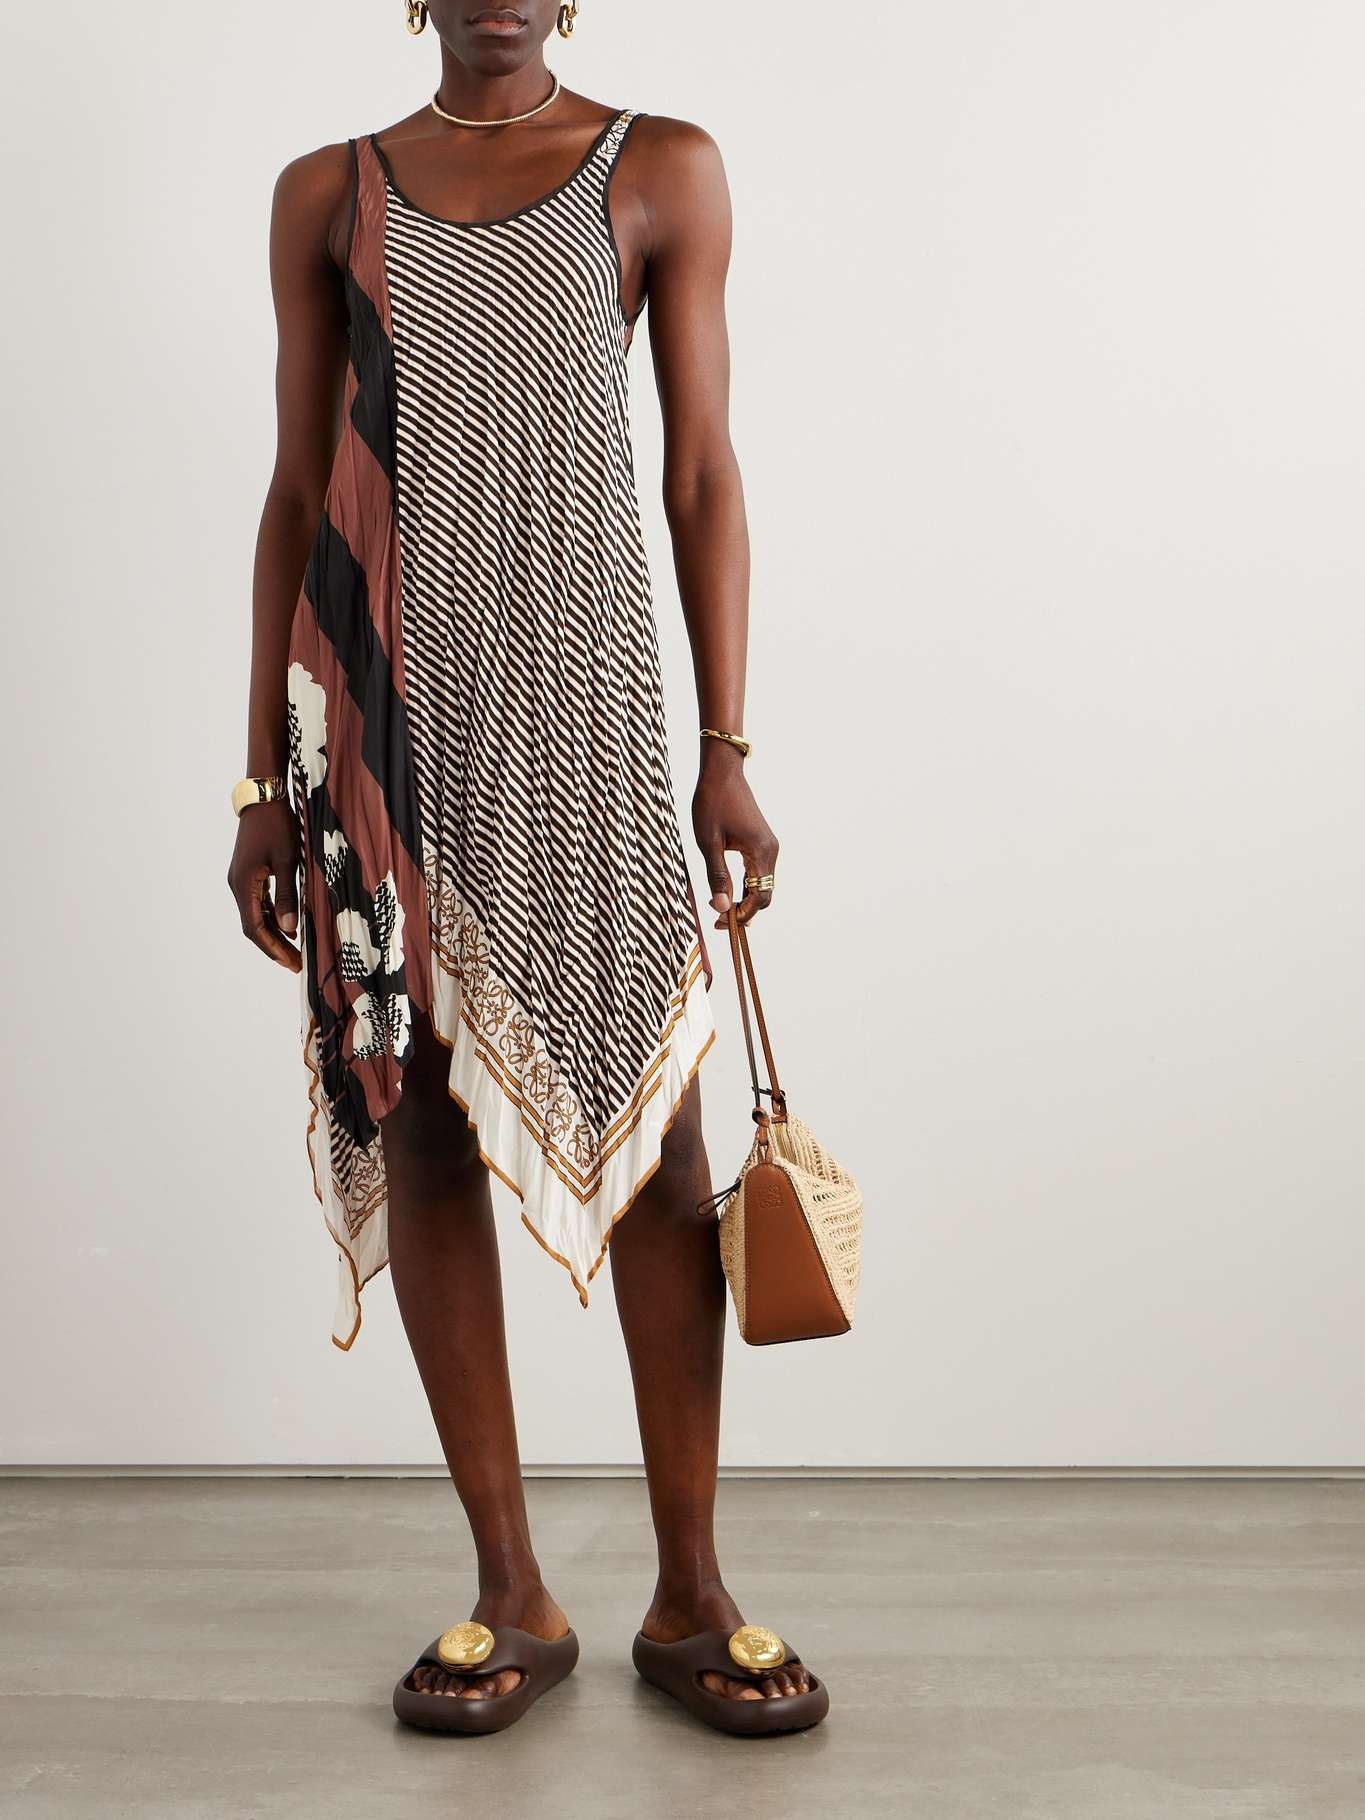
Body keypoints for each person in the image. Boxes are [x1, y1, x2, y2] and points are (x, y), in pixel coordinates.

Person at [227, 0, 826, 1737]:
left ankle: (691, 1591)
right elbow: (294, 494)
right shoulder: (328, 192)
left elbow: (700, 469)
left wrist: (726, 749)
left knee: (661, 1140)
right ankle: (510, 1589)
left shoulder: (659, 170)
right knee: (421, 1115)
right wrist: (261, 777)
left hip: (586, 717)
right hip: (383, 725)